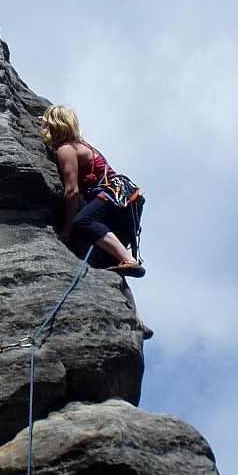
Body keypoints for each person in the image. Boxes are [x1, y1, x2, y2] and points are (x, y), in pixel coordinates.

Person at [41, 104, 153, 340]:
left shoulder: (66, 149)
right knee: (110, 267)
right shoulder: (85, 146)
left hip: (117, 195)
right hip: (127, 202)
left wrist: (67, 230)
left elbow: (72, 192)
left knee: (84, 221)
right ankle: (138, 320)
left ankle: (128, 258)